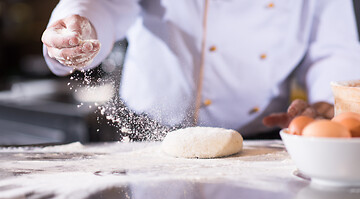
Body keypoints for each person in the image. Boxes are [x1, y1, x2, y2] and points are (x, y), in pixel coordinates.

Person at [41, 0, 360, 139]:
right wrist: (79, 26)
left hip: (260, 136)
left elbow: (333, 46)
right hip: (149, 131)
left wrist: (329, 107)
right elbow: (105, 4)